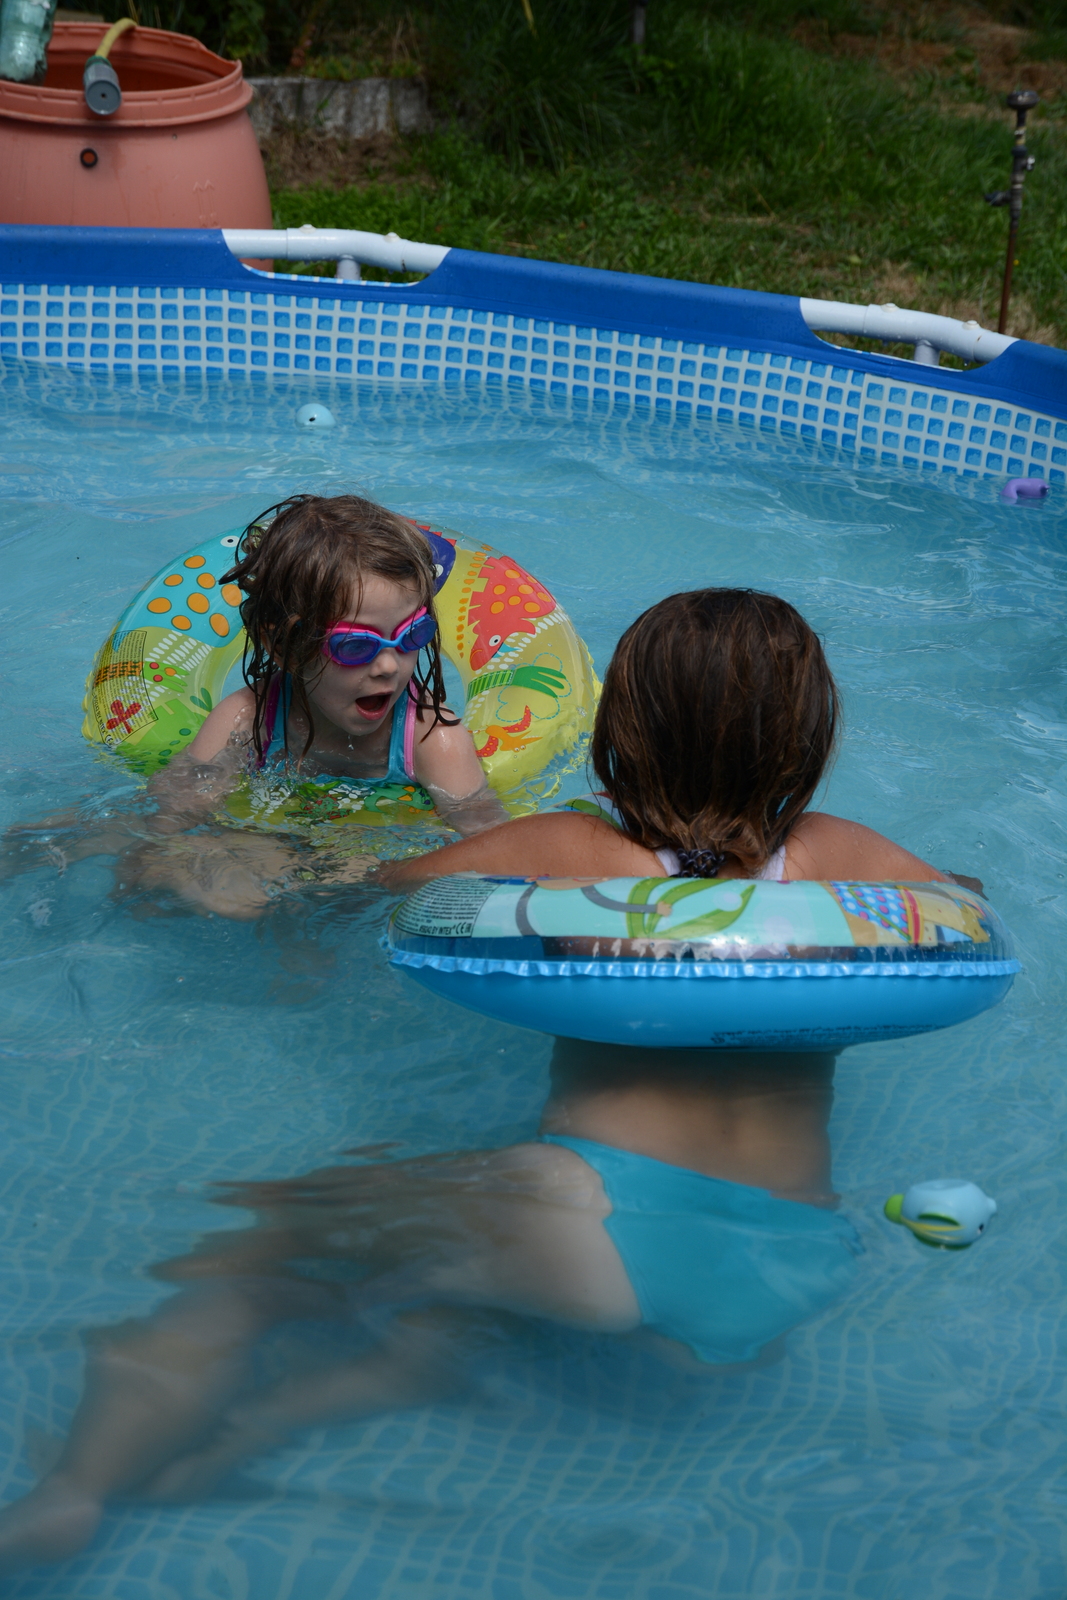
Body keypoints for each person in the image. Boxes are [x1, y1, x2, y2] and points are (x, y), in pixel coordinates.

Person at [0, 1040, 860, 1573]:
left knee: (269, 1240)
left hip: (596, 1217)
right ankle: (281, 1417)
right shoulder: (845, 872)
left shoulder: (591, 855)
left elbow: (408, 882)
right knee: (477, 1288)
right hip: (786, 1266)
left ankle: (75, 1491)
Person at [3, 496, 507, 917]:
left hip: (372, 852)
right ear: (281, 644)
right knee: (108, 834)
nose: (389, 666)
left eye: (412, 635)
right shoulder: (247, 717)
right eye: (355, 645)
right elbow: (173, 807)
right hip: (270, 833)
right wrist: (151, 853)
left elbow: (486, 843)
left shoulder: (433, 740)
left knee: (313, 878)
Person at [376, 587, 976, 891]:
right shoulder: (831, 853)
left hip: (601, 1101)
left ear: (622, 731)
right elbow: (964, 902)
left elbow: (388, 883)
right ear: (801, 749)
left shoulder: (571, 845)